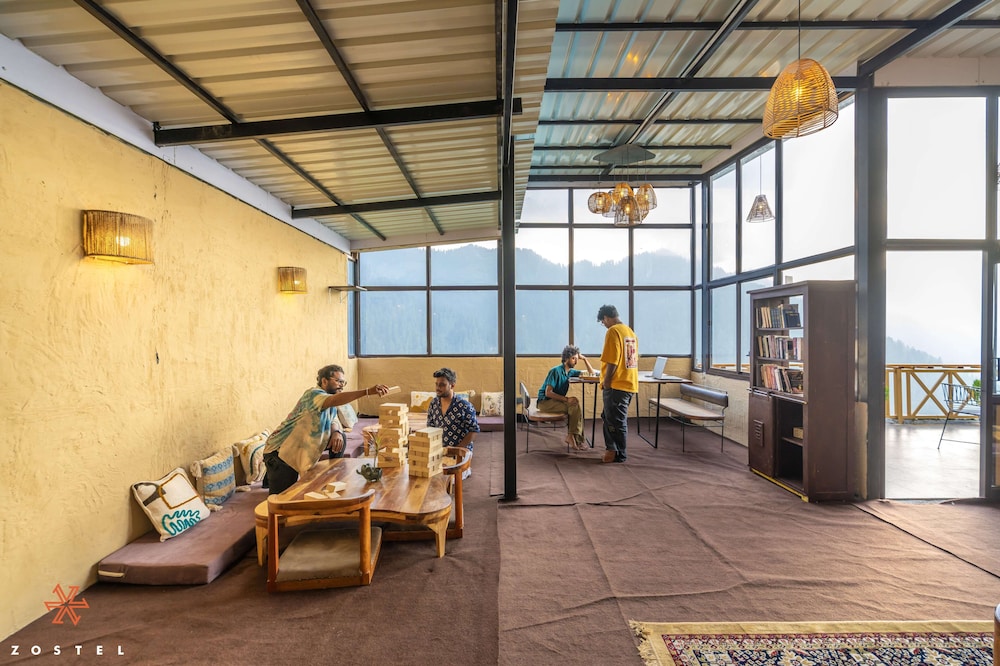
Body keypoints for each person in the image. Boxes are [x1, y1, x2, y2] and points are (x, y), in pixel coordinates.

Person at [263, 365, 390, 494]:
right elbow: (334, 400)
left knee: (341, 437)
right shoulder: (313, 395)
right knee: (281, 497)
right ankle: (272, 478)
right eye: (338, 381)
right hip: (279, 452)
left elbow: (333, 419)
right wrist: (367, 391)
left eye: (343, 382)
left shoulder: (328, 401)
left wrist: (336, 432)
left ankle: (333, 474)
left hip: (297, 449)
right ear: (324, 381)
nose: (341, 385)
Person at [597, 304, 638, 463]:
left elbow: (612, 360)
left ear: (606, 317)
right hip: (629, 383)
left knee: (615, 421)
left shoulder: (613, 331)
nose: (604, 325)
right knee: (610, 418)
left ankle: (617, 453)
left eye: (603, 322)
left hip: (616, 384)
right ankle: (614, 450)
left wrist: (607, 381)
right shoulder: (629, 331)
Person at [536, 345, 596, 450]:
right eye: (573, 358)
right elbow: (548, 393)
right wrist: (567, 399)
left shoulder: (570, 372)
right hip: (544, 402)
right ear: (566, 358)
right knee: (574, 406)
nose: (576, 362)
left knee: (575, 405)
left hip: (555, 401)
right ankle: (576, 439)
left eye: (577, 359)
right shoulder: (555, 371)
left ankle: (572, 436)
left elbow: (592, 374)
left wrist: (585, 359)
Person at [426, 367, 480, 452]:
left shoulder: (464, 406)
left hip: (461, 453)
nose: (438, 388)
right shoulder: (434, 403)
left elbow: (474, 431)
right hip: (440, 452)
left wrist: (456, 449)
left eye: (442, 385)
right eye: (436, 384)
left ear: (452, 385)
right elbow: (430, 427)